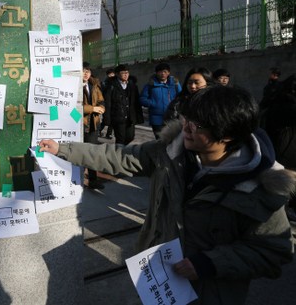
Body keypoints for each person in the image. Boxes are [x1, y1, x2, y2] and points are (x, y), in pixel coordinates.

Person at [39, 85, 295, 305]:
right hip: (158, 282)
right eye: (186, 119)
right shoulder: (170, 151)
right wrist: (64, 149)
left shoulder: (260, 188)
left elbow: (274, 252)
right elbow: (119, 157)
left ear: (227, 136)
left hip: (209, 294)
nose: (186, 128)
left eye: (196, 125)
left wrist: (210, 263)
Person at [261, 74, 296, 220]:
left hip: (278, 145)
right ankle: (284, 209)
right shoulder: (289, 103)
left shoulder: (276, 98)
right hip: (287, 147)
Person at [102, 64, 143, 145]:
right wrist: (107, 118)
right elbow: (107, 102)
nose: (125, 75)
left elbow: (136, 102)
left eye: (127, 73)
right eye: (123, 73)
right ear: (117, 74)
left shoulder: (132, 85)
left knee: (130, 137)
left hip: (130, 117)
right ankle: (119, 154)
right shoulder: (111, 85)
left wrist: (138, 116)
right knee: (120, 138)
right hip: (117, 116)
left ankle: (120, 150)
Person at [139, 62, 181, 139]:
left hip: (172, 118)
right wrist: (153, 103)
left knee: (172, 141)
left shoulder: (175, 84)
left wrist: (176, 106)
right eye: (160, 72)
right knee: (160, 141)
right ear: (156, 73)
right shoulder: (150, 85)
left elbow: (181, 97)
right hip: (156, 119)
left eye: (165, 71)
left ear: (168, 72)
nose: (162, 74)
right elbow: (142, 99)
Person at [81, 62, 105, 189]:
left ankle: (93, 180)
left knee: (92, 153)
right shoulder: (73, 85)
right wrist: (93, 109)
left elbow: (101, 99)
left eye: (88, 71)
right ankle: (78, 179)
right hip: (79, 124)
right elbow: (73, 108)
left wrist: (101, 107)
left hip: (93, 125)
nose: (86, 73)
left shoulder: (94, 84)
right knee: (79, 152)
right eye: (83, 70)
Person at [100, 68, 115, 139]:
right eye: (110, 74)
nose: (111, 75)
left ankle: (109, 134)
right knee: (106, 120)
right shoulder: (103, 83)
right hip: (106, 103)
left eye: (112, 74)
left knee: (112, 120)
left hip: (114, 104)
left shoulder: (116, 83)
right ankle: (99, 130)